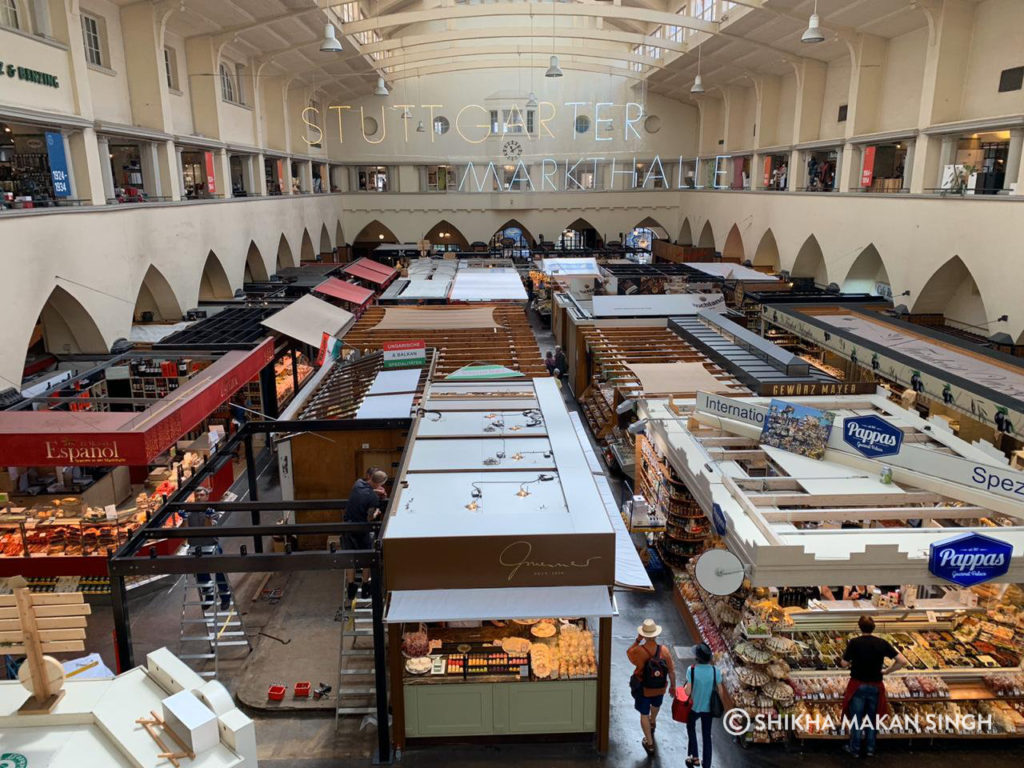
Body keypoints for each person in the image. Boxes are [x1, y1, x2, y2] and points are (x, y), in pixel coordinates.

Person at [840, 615, 908, 758]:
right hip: (876, 686)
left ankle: (855, 749)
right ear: (873, 627)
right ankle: (870, 749)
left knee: (857, 719)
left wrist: (852, 663)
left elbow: (844, 664)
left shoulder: (854, 642)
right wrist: (886, 671)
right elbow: (902, 661)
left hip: (858, 685)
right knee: (873, 718)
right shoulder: (882, 643)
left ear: (859, 627)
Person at [627, 618, 676, 755]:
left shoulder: (639, 651)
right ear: (656, 635)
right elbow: (671, 671)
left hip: (643, 688)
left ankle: (649, 743)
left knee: (644, 714)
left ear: (644, 635)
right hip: (659, 688)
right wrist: (672, 687)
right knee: (656, 706)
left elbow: (629, 653)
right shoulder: (664, 651)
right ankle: (653, 722)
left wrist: (638, 640)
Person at [344, 469, 388, 599]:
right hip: (362, 529)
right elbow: (370, 517)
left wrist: (375, 491)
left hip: (347, 526)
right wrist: (377, 512)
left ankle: (351, 585)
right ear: (380, 483)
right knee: (367, 558)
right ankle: (365, 584)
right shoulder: (372, 498)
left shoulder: (357, 484)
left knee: (350, 557)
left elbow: (363, 492)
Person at [683, 643, 723, 768]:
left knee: (691, 729)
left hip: (694, 708)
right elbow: (720, 691)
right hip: (708, 709)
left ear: (697, 657)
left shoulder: (692, 670)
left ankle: (695, 757)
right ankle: (707, 764)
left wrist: (685, 687)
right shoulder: (715, 671)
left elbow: (687, 692)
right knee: (707, 735)